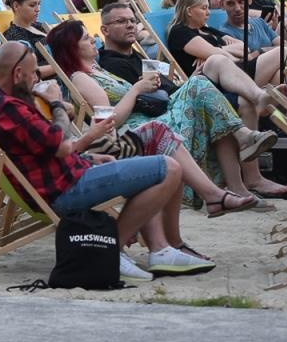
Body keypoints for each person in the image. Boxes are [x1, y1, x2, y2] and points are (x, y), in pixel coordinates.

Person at [0, 41, 211, 280]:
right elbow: (60, 144)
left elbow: (39, 152)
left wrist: (87, 157)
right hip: (64, 191)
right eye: (34, 72)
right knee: (169, 168)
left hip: (69, 177)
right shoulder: (7, 107)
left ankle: (161, 249)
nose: (37, 78)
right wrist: (56, 103)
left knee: (152, 165)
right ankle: (112, 247)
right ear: (18, 73)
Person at [53, 16, 270, 212]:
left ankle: (238, 179)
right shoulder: (80, 78)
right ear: (72, 48)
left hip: (150, 119)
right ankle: (242, 146)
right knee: (199, 87)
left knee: (205, 94)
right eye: (85, 38)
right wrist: (137, 89)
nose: (93, 40)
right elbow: (108, 122)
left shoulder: (98, 70)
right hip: (135, 131)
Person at [95, 2, 287, 200]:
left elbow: (164, 88)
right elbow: (150, 101)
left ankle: (251, 176)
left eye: (132, 20)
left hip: (181, 96)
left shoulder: (136, 56)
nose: (130, 25)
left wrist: (188, 82)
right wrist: (190, 85)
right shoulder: (112, 63)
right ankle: (243, 174)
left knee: (235, 90)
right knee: (221, 72)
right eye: (121, 21)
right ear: (105, 30)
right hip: (168, 112)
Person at [167, 0, 285, 88]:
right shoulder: (180, 32)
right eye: (204, 8)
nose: (209, 12)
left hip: (237, 70)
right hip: (225, 79)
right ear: (189, 11)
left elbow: (243, 47)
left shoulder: (206, 29)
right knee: (282, 52)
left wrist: (217, 49)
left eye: (208, 8)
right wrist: (217, 50)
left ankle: (274, 113)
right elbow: (219, 56)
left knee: (280, 74)